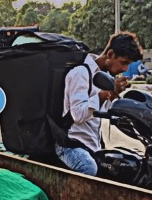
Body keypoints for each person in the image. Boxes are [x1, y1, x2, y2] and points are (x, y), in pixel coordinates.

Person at [55, 31, 143, 176]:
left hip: (92, 145)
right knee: (88, 168)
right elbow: (77, 114)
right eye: (123, 63)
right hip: (70, 144)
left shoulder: (105, 78)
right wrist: (102, 96)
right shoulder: (80, 73)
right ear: (110, 54)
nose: (125, 69)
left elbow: (101, 113)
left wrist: (114, 93)